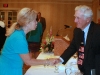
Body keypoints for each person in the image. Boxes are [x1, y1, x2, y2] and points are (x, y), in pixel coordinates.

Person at [0, 8, 59, 75]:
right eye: (35, 20)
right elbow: (28, 61)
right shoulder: (19, 38)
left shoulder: (19, 33)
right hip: (9, 70)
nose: (37, 22)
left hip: (9, 67)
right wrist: (48, 61)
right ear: (27, 22)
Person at [57, 5, 100, 75]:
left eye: (78, 18)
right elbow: (73, 47)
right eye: (75, 17)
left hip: (95, 70)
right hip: (82, 69)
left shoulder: (97, 31)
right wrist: (60, 59)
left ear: (88, 19)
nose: (75, 20)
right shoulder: (77, 31)